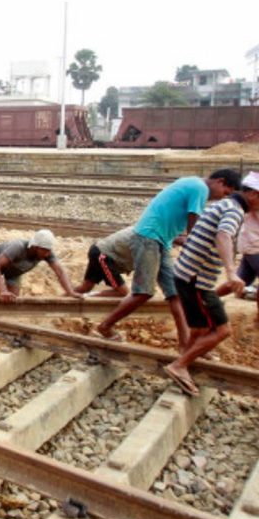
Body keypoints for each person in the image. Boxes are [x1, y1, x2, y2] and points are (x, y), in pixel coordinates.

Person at [94, 169, 241, 346]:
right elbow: (193, 225)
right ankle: (105, 326)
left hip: (161, 240)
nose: (222, 197)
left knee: (175, 295)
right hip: (149, 237)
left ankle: (185, 345)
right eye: (225, 192)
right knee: (143, 292)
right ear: (220, 181)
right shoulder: (200, 188)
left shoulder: (193, 183)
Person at [163, 173, 259, 396]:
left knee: (201, 327)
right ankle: (179, 366)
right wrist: (231, 272)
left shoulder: (224, 204)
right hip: (196, 279)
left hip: (187, 274)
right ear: (254, 195)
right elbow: (223, 235)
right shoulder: (234, 211)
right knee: (222, 330)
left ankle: (186, 357)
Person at [0, 229, 82, 301]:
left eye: (49, 250)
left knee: (12, 300)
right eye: (45, 250)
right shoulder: (17, 247)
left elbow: (59, 271)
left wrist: (70, 291)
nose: (48, 253)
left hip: (15, 270)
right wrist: (3, 290)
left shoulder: (47, 253)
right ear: (35, 246)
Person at [74, 226, 136, 298]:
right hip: (103, 255)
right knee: (124, 292)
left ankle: (66, 296)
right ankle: (85, 296)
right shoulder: (143, 236)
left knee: (85, 287)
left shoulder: (141, 229)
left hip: (98, 249)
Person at [236, 178, 259, 325]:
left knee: (238, 282)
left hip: (250, 246)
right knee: (238, 282)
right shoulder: (250, 205)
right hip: (254, 246)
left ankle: (206, 300)